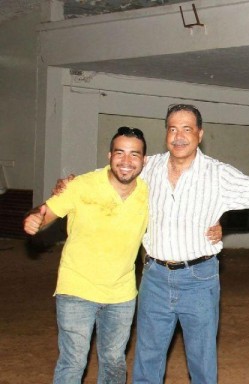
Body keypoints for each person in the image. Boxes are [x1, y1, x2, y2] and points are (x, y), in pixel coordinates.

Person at [132, 104, 249, 383]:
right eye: (172, 129)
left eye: (186, 129)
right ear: (165, 134)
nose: (178, 136)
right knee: (147, 359)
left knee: (202, 361)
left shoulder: (218, 174)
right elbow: (114, 175)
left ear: (200, 134)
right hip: (155, 277)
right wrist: (72, 185)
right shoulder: (149, 168)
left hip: (198, 279)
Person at [23, 127, 149, 384]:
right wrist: (35, 218)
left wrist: (214, 225)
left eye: (134, 155)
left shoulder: (149, 192)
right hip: (77, 290)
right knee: (73, 360)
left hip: (122, 295)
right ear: (109, 155)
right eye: (120, 153)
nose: (126, 161)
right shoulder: (82, 185)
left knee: (114, 361)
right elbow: (47, 211)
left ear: (144, 160)